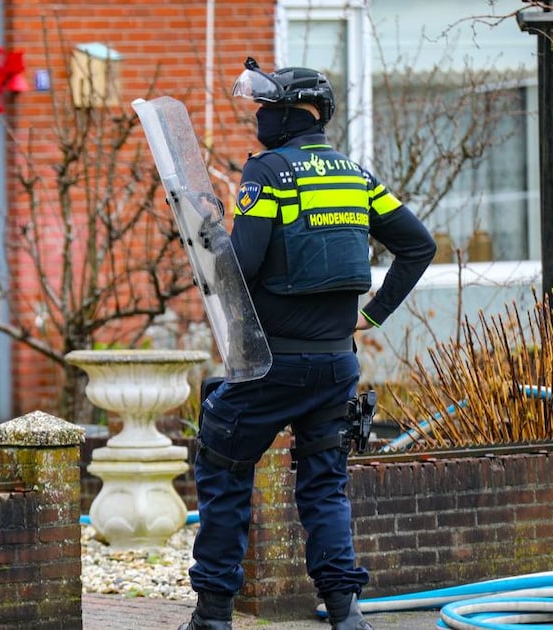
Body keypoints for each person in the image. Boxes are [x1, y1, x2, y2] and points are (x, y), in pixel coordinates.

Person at [179, 58, 436, 630]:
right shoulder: (356, 175)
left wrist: (210, 231)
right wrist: (373, 315)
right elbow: (419, 246)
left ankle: (213, 615)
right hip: (337, 364)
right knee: (323, 486)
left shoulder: (267, 173)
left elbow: (240, 268)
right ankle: (346, 613)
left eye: (268, 108)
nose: (261, 117)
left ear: (299, 113)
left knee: (222, 468)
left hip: (270, 363)